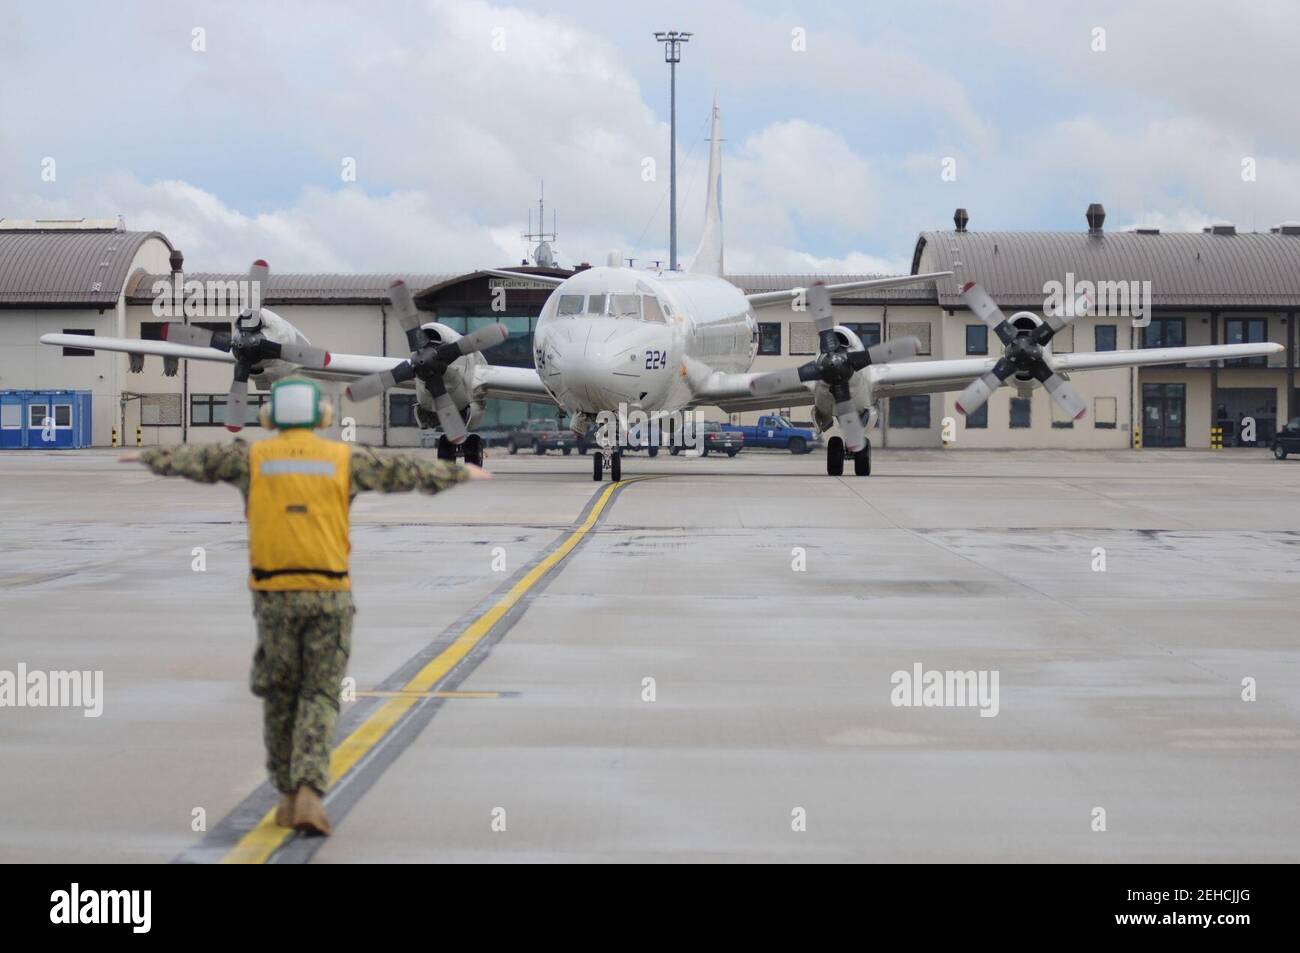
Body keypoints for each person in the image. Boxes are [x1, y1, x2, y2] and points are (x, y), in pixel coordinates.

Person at [122, 377, 488, 835]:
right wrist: (459, 472)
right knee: (319, 693)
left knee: (279, 694)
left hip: (275, 597)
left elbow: (199, 461)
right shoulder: (342, 458)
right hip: (329, 595)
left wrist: (149, 457)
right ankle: (311, 792)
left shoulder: (252, 458)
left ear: (270, 417)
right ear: (323, 418)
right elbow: (401, 472)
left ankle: (286, 792)